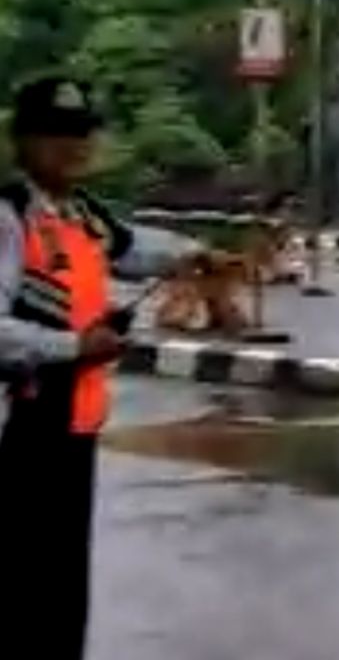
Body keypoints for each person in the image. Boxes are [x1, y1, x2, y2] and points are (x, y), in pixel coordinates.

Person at [0, 76, 204, 659]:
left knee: (63, 588)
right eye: (56, 134)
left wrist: (195, 252)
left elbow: (131, 246)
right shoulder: (10, 217)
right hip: (27, 423)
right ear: (23, 142)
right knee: (27, 590)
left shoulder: (79, 212)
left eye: (82, 133)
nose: (73, 146)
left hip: (75, 425)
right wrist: (74, 347)